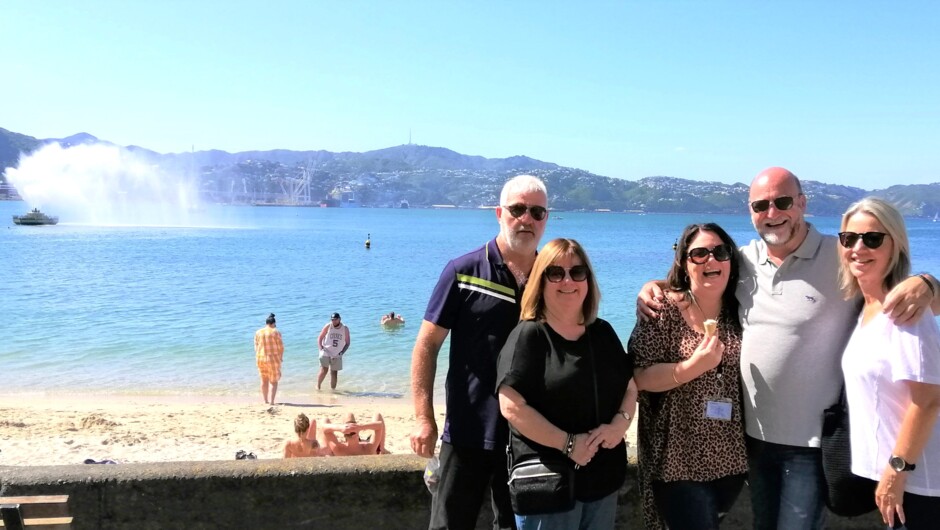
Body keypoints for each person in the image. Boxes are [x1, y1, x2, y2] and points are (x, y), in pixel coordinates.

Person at [636, 167, 939, 529]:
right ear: (750, 211)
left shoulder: (839, 253)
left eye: (782, 202)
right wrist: (652, 285)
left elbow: (894, 286)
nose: (772, 213)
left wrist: (928, 282)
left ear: (802, 203)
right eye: (761, 205)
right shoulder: (742, 261)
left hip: (811, 444)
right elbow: (698, 270)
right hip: (753, 440)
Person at [409, 174, 549, 530]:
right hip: (468, 429)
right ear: (499, 213)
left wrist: (650, 289)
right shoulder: (463, 272)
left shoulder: (555, 279)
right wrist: (424, 418)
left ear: (546, 219)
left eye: (537, 212)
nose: (527, 219)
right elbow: (427, 345)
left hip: (529, 434)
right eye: (518, 209)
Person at [496, 238, 637, 529]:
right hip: (548, 485)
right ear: (541, 281)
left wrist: (620, 425)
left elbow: (630, 385)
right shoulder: (529, 335)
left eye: (577, 272)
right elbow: (511, 407)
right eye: (555, 273)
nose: (568, 281)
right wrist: (568, 444)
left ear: (588, 279)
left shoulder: (602, 333)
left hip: (602, 480)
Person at [628, 224, 747, 530]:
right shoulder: (662, 309)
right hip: (677, 460)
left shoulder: (742, 309)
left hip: (732, 460)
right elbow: (638, 376)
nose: (711, 260)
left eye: (720, 252)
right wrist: (693, 366)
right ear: (684, 262)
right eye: (699, 254)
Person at [837, 197, 940, 529]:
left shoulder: (906, 311)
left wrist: (897, 471)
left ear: (895, 245)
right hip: (896, 478)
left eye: (872, 238)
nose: (858, 247)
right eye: (849, 238)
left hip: (920, 483)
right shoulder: (867, 308)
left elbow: (928, 401)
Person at [319, 413, 387, 456]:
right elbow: (379, 425)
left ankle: (326, 449)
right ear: (358, 434)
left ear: (344, 435)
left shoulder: (339, 449)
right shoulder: (368, 449)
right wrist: (360, 427)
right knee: (377, 415)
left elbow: (324, 427)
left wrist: (340, 428)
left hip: (348, 445)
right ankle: (382, 449)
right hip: (363, 448)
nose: (351, 429)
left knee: (347, 415)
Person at [254, 313, 283, 405]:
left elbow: (256, 346)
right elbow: (281, 347)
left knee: (264, 380)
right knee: (274, 381)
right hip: (272, 358)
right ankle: (272, 402)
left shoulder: (258, 332)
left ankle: (265, 400)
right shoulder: (275, 332)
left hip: (260, 358)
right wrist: (280, 358)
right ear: (273, 323)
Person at [317, 312, 350, 390]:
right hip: (326, 351)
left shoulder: (344, 328)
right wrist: (321, 348)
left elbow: (347, 343)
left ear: (339, 319)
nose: (334, 321)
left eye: (335, 319)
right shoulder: (328, 326)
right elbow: (320, 338)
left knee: (334, 373)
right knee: (324, 370)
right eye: (332, 320)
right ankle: (318, 386)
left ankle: (333, 391)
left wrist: (342, 353)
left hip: (337, 354)